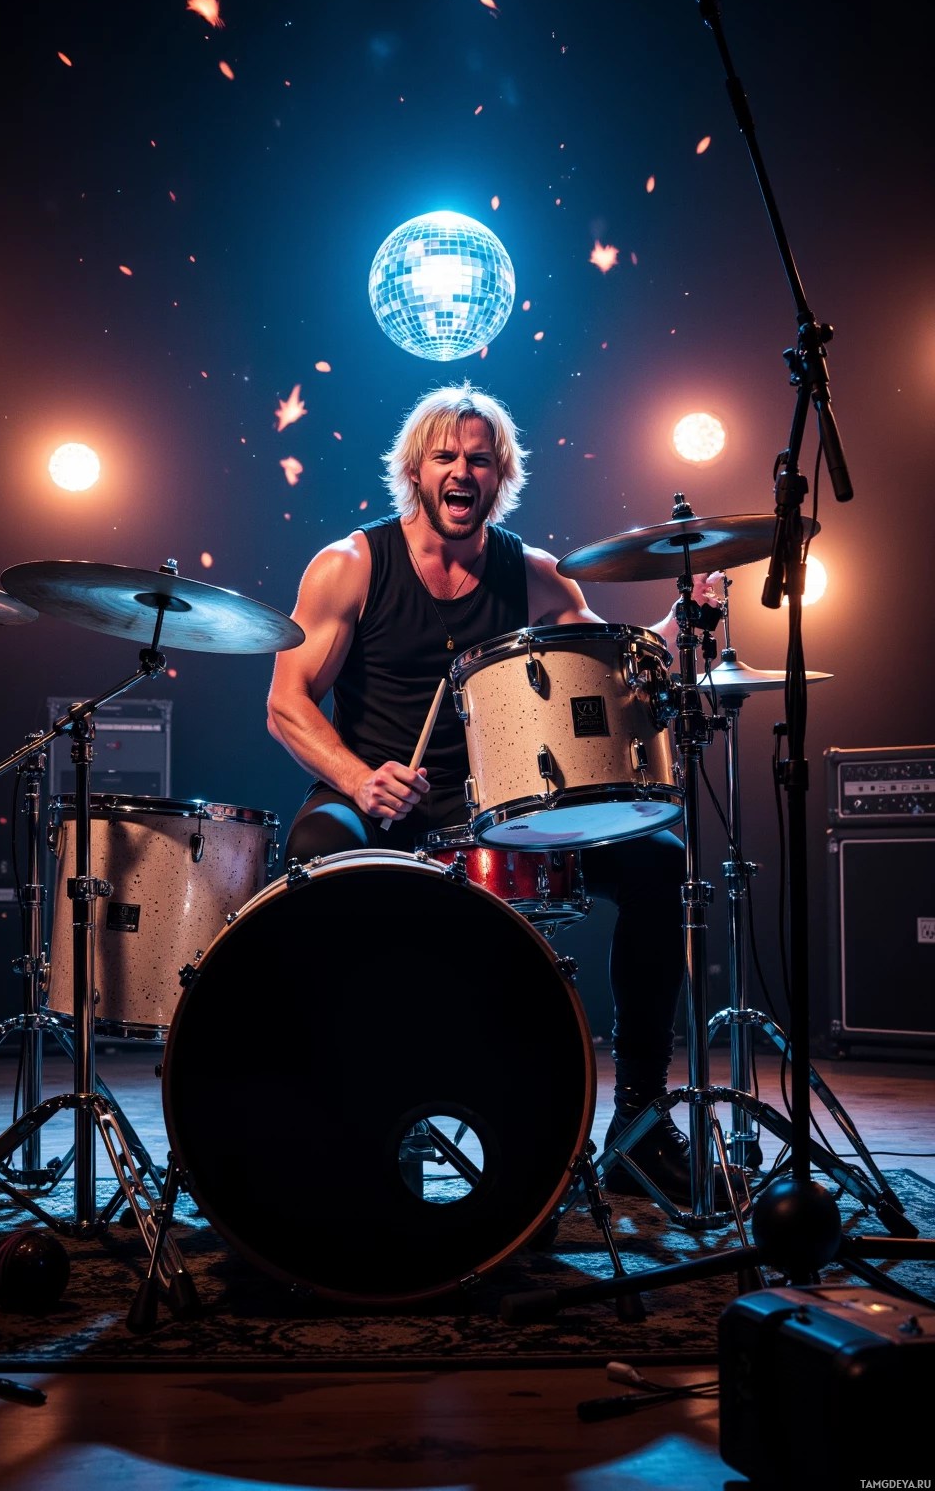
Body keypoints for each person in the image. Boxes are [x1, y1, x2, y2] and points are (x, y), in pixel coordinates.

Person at [267, 382, 720, 1204]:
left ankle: (640, 1120)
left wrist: (681, 627)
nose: (462, 469)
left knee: (661, 858)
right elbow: (286, 701)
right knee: (315, 855)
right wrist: (358, 778)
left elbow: (622, 668)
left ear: (501, 474)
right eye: (446, 455)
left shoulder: (536, 575)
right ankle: (351, 1109)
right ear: (416, 468)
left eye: (479, 458)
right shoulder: (351, 565)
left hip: (502, 806)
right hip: (377, 794)